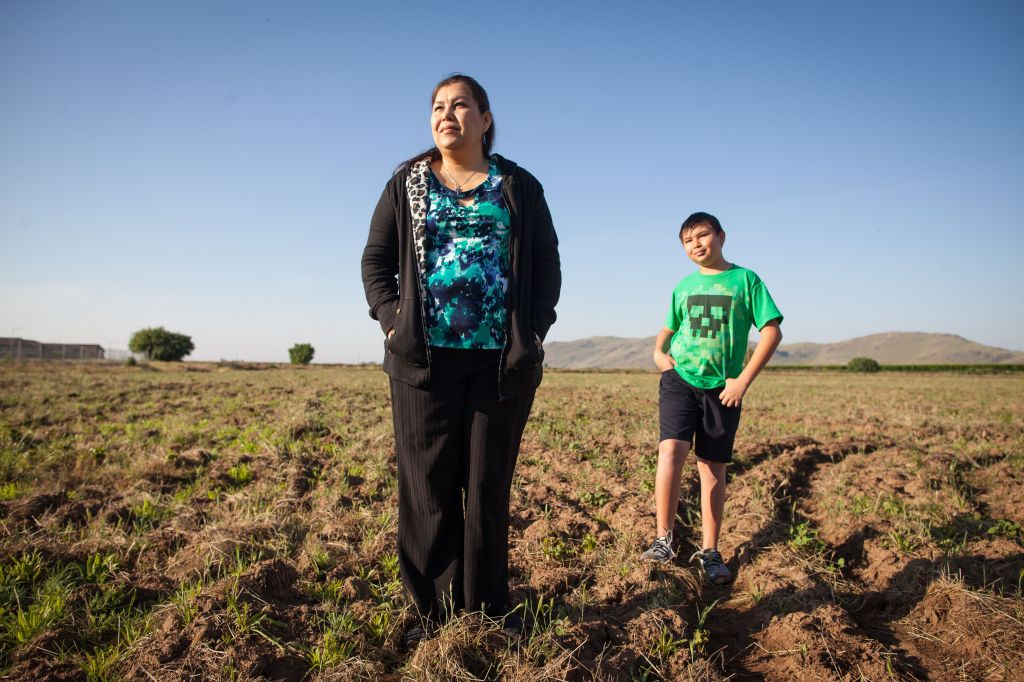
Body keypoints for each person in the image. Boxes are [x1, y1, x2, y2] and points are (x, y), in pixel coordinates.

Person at [360, 74, 561, 647]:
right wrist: (393, 319)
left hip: (501, 364)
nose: (447, 115)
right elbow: (376, 261)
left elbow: (547, 267)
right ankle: (429, 613)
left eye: (461, 105)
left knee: (487, 488)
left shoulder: (518, 185)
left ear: (486, 118)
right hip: (424, 361)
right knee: (427, 488)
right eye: (438, 107)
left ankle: (490, 610)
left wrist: (535, 329)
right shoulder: (408, 182)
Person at [642, 212, 782, 585]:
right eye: (687, 241)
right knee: (670, 451)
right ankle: (663, 539)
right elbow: (669, 327)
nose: (696, 245)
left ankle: (711, 551)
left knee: (711, 468)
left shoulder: (746, 280)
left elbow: (771, 332)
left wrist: (743, 381)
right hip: (680, 381)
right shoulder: (683, 286)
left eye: (702, 236)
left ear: (721, 236)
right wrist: (659, 353)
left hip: (724, 389)